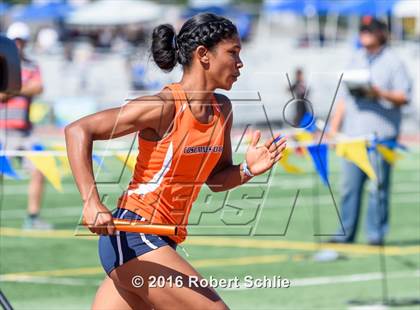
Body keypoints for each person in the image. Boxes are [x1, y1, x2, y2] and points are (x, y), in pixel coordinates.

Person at [65, 13, 287, 309]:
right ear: (203, 55)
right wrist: (91, 201)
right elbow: (78, 130)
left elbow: (217, 179)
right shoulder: (163, 107)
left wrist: (247, 170)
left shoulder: (222, 108)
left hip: (159, 241)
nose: (240, 63)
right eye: (233, 52)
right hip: (133, 235)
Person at [329, 17, 412, 245]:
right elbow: (343, 99)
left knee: (379, 188)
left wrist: (379, 94)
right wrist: (334, 129)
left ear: (381, 34)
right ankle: (344, 234)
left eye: (369, 31)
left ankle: (375, 235)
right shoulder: (355, 58)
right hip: (353, 136)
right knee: (348, 188)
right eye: (363, 30)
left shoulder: (394, 62)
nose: (364, 34)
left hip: (381, 138)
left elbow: (404, 97)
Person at [0, 22, 52, 230]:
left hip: (25, 130)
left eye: (21, 41)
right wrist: (22, 88)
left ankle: (32, 217)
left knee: (41, 168)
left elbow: (38, 87)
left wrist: (13, 88)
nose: (18, 45)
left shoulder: (32, 65)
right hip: (2, 129)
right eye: (15, 41)